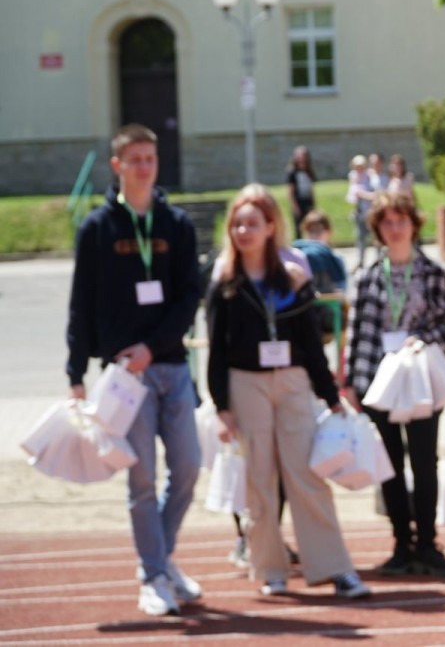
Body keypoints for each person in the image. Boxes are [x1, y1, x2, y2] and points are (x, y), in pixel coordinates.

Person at [206, 184, 371, 600]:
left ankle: (335, 569)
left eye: (253, 223)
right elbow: (217, 350)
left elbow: (312, 343)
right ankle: (270, 569)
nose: (244, 230)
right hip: (246, 384)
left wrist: (331, 395)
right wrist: (221, 406)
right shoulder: (224, 281)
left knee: (307, 476)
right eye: (238, 223)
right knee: (260, 477)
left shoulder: (295, 278)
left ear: (270, 227)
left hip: (294, 380)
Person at [66, 123, 204, 617]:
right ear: (117, 165)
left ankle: (159, 560)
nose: (145, 166)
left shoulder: (178, 225)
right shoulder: (97, 228)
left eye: (151, 158)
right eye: (135, 159)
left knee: (188, 466)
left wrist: (155, 344)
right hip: (125, 376)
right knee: (141, 479)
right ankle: (153, 576)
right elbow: (81, 303)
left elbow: (191, 296)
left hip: (171, 366)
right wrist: (75, 370)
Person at [344, 193, 445, 577]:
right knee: (389, 466)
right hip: (380, 383)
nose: (395, 228)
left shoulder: (433, 273)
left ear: (414, 225)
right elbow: (357, 333)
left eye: (402, 221)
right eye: (387, 222)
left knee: (425, 462)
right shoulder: (367, 277)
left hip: (422, 378)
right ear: (378, 228)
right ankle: (400, 545)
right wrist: (351, 385)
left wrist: (423, 339)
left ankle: (427, 544)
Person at [294, 210, 348, 295]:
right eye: (311, 231)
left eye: (319, 230)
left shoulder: (336, 258)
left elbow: (343, 289)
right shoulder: (299, 257)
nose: (315, 235)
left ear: (329, 232)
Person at [347, 154, 375, 271]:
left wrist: (364, 195)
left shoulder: (370, 176)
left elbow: (373, 193)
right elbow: (353, 195)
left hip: (370, 211)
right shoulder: (353, 177)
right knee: (360, 238)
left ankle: (377, 260)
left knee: (375, 237)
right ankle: (360, 261)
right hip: (359, 212)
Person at [285, 146, 317, 239]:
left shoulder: (308, 170)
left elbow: (311, 188)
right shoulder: (292, 172)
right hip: (298, 201)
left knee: (311, 224)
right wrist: (294, 205)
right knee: (298, 226)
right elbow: (290, 190)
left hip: (308, 200)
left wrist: (314, 202)